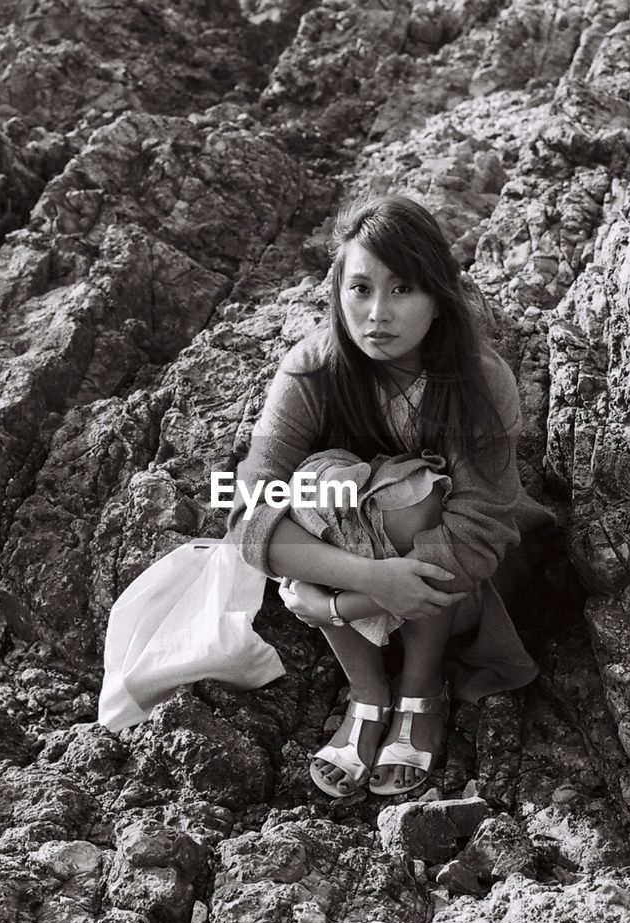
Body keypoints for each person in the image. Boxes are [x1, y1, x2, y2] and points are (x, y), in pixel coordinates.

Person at [226, 194, 554, 799]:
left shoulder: (478, 380)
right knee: (321, 480)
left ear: (438, 299)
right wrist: (367, 581)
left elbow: (481, 525)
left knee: (412, 493)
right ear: (337, 292)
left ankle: (420, 691)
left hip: (463, 582)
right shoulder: (310, 372)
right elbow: (247, 507)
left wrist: (341, 602)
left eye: (402, 289)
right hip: (354, 581)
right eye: (360, 288)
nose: (377, 313)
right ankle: (369, 692)